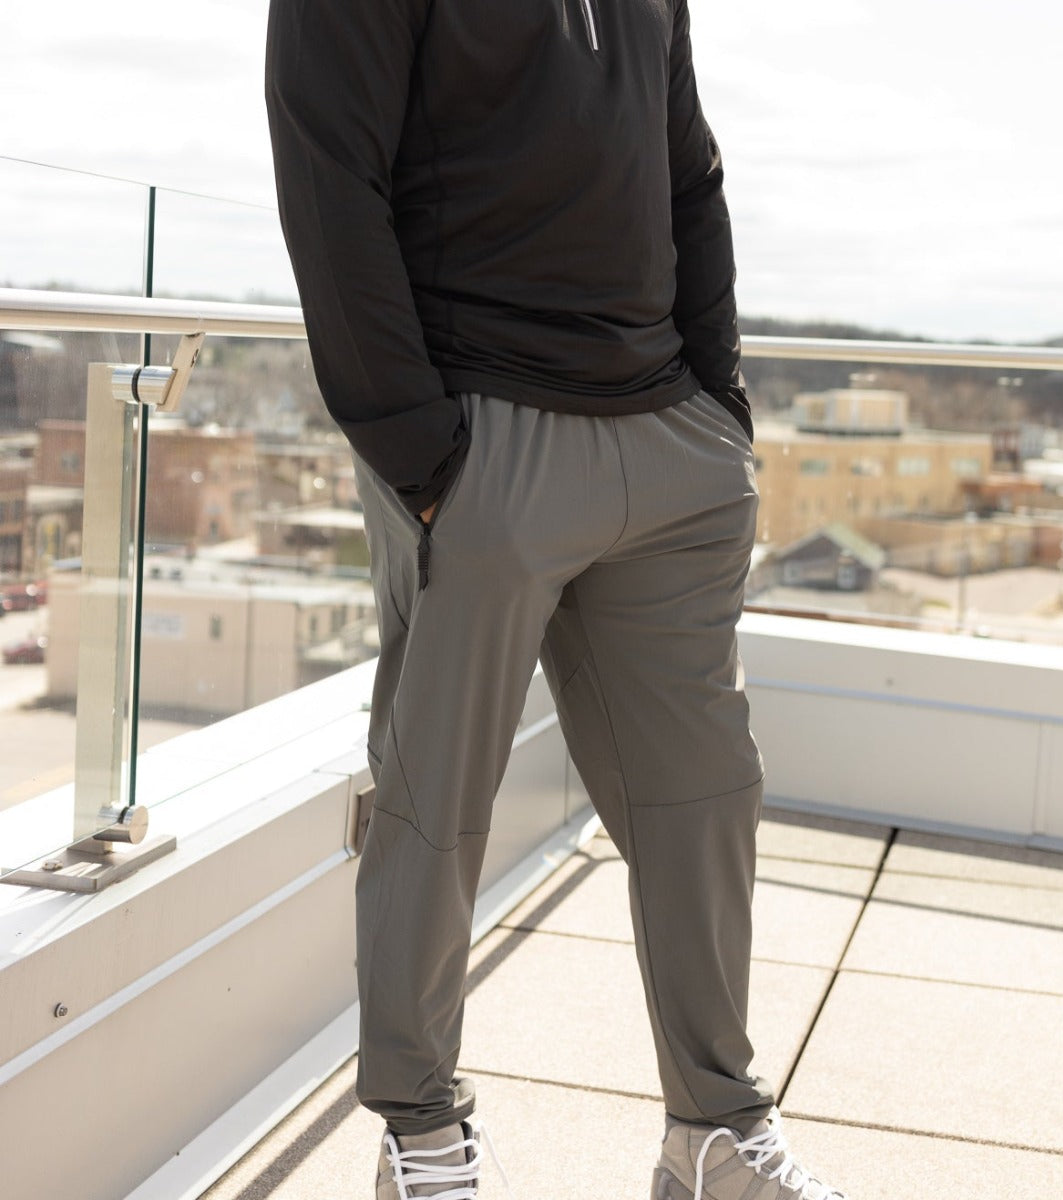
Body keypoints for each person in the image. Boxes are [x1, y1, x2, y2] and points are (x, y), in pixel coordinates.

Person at [264, 2, 847, 1197]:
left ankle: (716, 1133)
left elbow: (689, 176)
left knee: (706, 799)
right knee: (435, 803)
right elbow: (329, 177)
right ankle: (423, 1134)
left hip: (668, 439)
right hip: (484, 435)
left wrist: (719, 407)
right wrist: (422, 453)